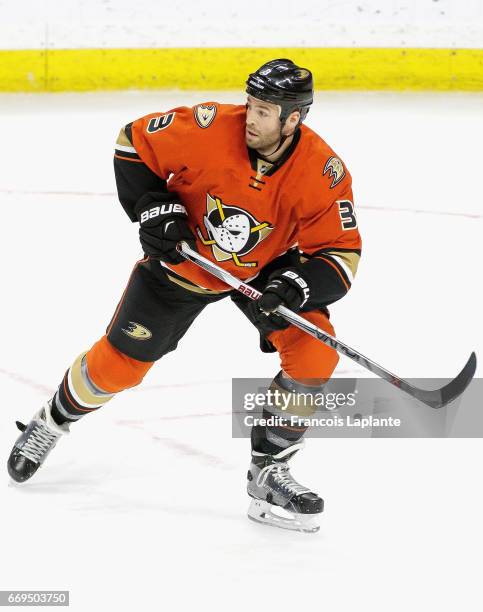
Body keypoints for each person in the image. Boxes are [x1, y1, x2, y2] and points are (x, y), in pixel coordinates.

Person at [7, 58, 361, 533]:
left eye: (263, 111)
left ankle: (268, 472)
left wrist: (293, 286)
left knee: (316, 352)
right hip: (183, 262)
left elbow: (340, 254)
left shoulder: (323, 170)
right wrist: (155, 207)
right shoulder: (210, 126)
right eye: (250, 104)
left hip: (265, 270)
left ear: (293, 118)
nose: (250, 118)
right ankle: (50, 421)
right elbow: (133, 140)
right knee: (117, 367)